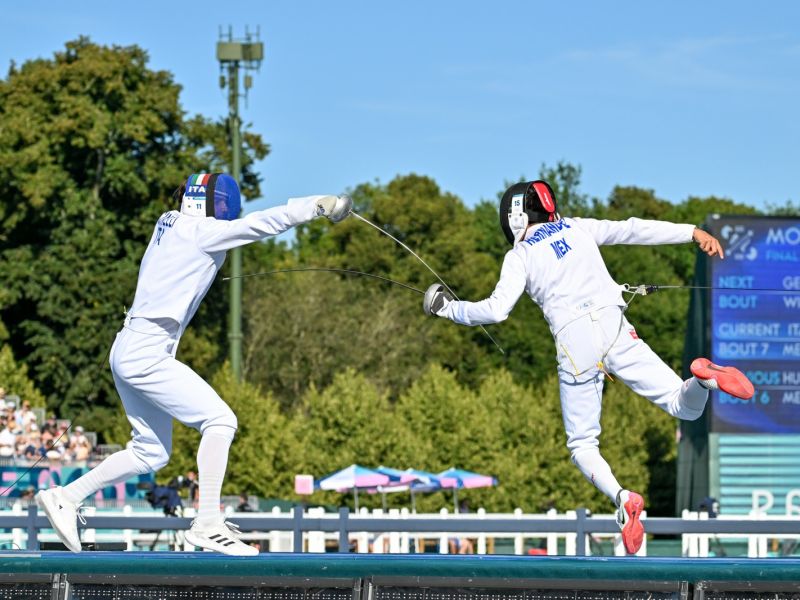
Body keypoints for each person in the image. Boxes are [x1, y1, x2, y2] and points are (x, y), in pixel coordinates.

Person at [422, 179, 754, 555]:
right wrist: (692, 231)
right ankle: (704, 381)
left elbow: (496, 310)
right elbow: (632, 229)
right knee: (684, 405)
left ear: (514, 218)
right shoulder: (577, 226)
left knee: (582, 444)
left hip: (574, 342)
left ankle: (622, 497)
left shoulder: (520, 255)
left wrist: (447, 308)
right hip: (615, 327)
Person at [36, 173, 351, 556]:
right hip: (146, 351)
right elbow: (260, 224)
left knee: (150, 452)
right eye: (224, 204)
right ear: (208, 203)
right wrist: (316, 206)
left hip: (130, 346)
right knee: (220, 421)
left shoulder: (169, 221)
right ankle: (207, 523)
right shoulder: (200, 232)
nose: (227, 212)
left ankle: (66, 496)